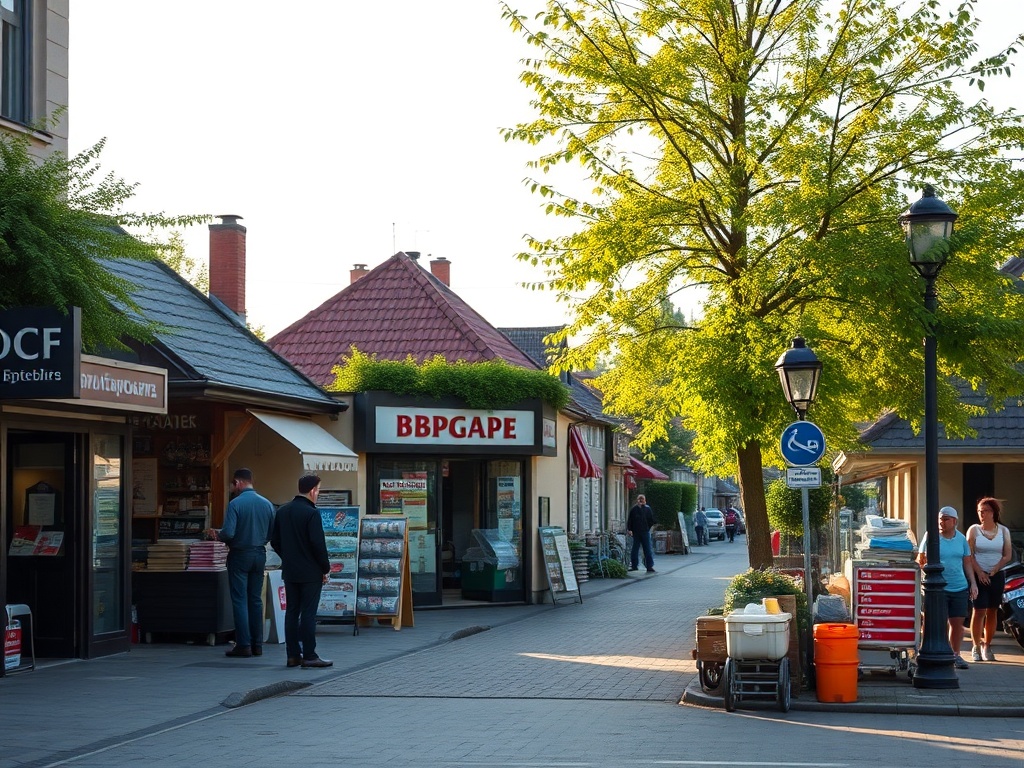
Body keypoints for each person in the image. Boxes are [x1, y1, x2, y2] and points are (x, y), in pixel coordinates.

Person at [271, 474, 333, 669]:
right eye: (319, 490)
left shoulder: (283, 511)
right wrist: (325, 567)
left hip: (290, 571)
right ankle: (309, 655)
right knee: (308, 614)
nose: (319, 494)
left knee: (291, 612)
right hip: (310, 572)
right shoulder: (311, 513)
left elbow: (275, 541)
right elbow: (317, 544)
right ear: (313, 490)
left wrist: (288, 558)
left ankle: (292, 655)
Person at [215, 468, 275, 659]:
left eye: (233, 485)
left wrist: (218, 535)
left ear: (237, 482)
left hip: (240, 554)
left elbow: (229, 533)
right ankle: (258, 644)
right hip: (260, 554)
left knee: (240, 600)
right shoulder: (267, 504)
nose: (232, 488)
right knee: (255, 599)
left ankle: (244, 644)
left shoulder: (235, 504)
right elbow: (271, 533)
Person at [915, 506, 977, 669]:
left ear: (955, 521)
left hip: (959, 586)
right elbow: (920, 559)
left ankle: (955, 655)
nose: (942, 522)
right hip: (936, 588)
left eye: (946, 519)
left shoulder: (961, 539)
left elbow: (967, 562)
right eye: (940, 519)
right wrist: (926, 571)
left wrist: (973, 583)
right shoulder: (931, 536)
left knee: (957, 623)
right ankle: (926, 651)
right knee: (933, 621)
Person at [967, 497, 1013, 662]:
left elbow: (1007, 555)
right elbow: (969, 554)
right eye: (979, 511)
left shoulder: (1003, 531)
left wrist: (996, 568)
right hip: (979, 574)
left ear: (993, 512)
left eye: (985, 511)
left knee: (993, 610)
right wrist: (979, 572)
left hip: (997, 574)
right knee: (978, 610)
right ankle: (976, 645)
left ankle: (987, 645)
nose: (982, 514)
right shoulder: (974, 530)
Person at [627, 494, 656, 573]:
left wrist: (647, 527)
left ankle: (649, 566)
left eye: (642, 499)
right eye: (639, 499)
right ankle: (634, 565)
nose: (641, 501)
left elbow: (651, 520)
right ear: (637, 500)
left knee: (647, 549)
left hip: (644, 531)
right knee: (635, 549)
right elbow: (630, 520)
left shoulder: (647, 509)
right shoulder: (634, 509)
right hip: (636, 532)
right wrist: (630, 529)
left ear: (645, 500)